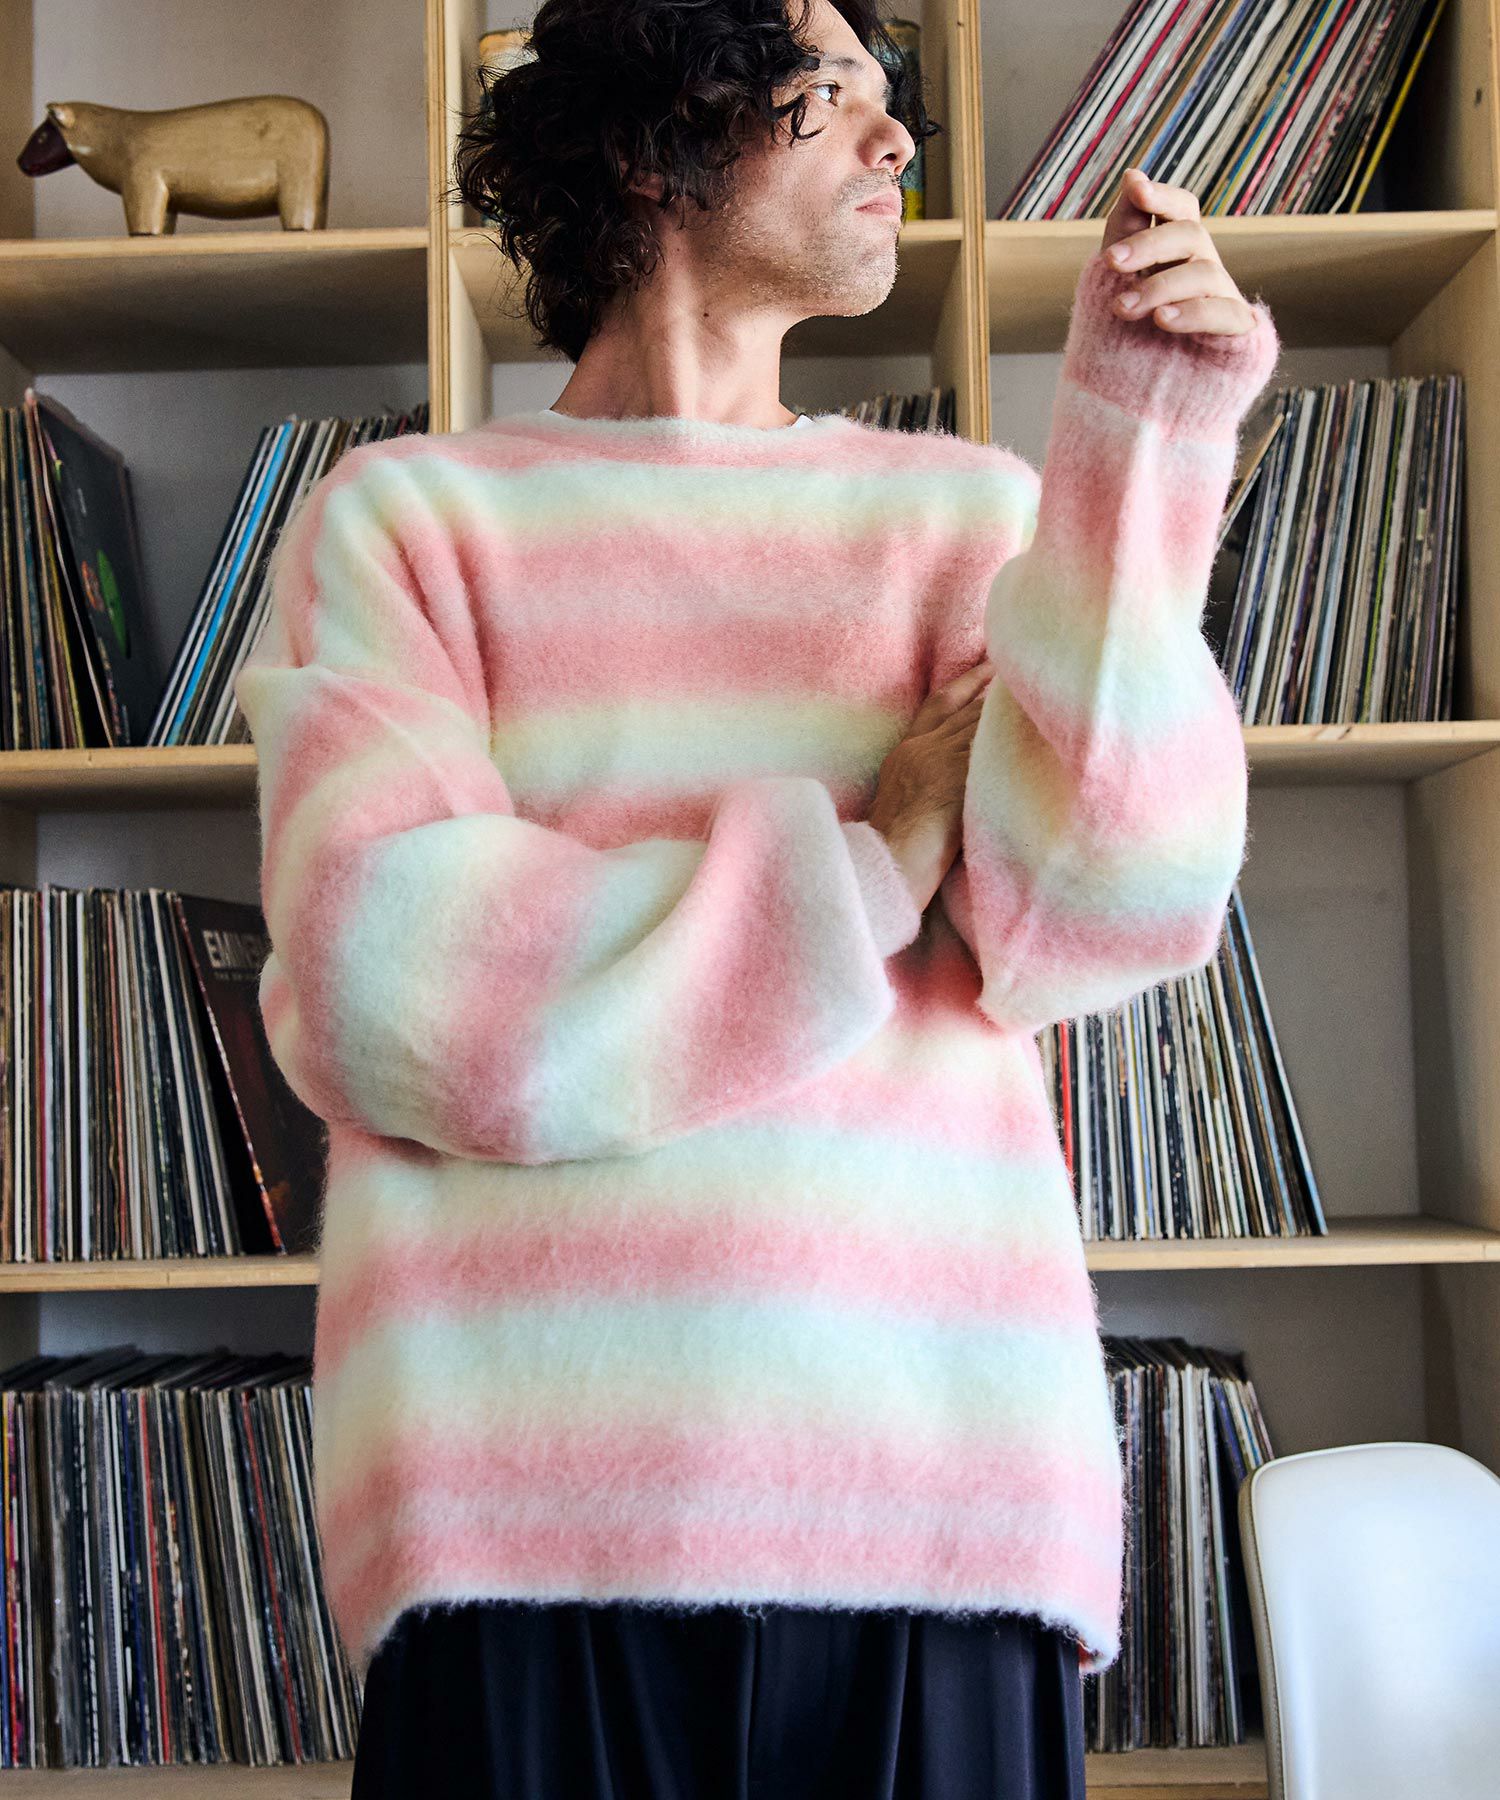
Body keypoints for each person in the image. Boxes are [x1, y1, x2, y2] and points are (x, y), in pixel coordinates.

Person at [233, 0, 1280, 1791]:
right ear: (657, 142)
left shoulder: (966, 521)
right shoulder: (407, 521)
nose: (897, 141)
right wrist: (871, 864)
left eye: (892, 101)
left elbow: (1101, 913)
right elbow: (385, 979)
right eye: (830, 92)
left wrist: (1140, 458)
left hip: (934, 1505)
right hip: (518, 1526)